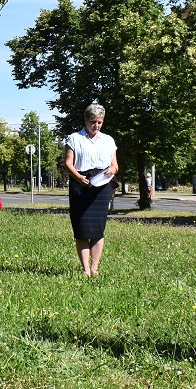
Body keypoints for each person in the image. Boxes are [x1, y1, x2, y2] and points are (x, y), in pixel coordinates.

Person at [63, 104, 118, 277]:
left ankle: (95, 268)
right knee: (82, 229)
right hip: (80, 184)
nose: (96, 126)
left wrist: (113, 169)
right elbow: (68, 163)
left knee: (97, 229)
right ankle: (85, 268)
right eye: (93, 122)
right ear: (86, 120)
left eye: (100, 122)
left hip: (102, 185)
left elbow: (115, 164)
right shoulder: (74, 138)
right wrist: (79, 178)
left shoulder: (108, 140)